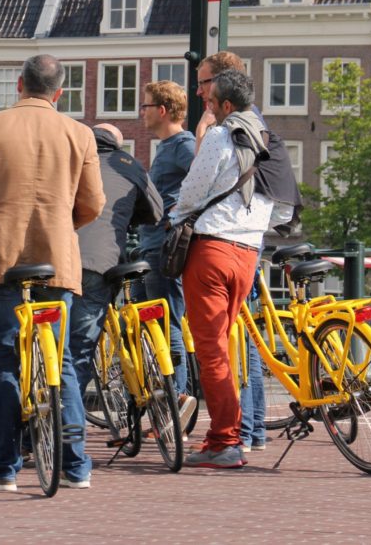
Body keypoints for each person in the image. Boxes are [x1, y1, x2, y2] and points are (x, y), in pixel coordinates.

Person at [0, 54, 105, 492]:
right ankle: (75, 466)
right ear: (59, 92)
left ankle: (4, 468)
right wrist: (65, 227)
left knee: (5, 361)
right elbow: (94, 203)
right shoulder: (79, 133)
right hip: (57, 262)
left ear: (19, 85)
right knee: (61, 360)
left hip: (1, 263)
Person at [175, 70, 293, 469]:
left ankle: (225, 440)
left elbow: (193, 191)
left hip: (212, 251)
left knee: (211, 350)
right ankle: (232, 434)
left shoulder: (222, 137)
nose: (206, 108)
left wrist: (175, 216)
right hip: (249, 253)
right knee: (225, 345)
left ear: (226, 106)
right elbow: (283, 207)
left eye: (210, 103)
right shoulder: (268, 140)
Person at [69, 124, 162, 410]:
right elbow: (156, 212)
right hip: (100, 263)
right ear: (117, 145)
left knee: (50, 345)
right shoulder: (128, 165)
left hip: (56, 260)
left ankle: (32, 428)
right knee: (78, 351)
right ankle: (64, 427)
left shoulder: (68, 159)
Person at [135, 80, 197, 422]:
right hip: (151, 246)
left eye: (145, 106)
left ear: (161, 110)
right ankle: (167, 400)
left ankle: (177, 401)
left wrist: (177, 219)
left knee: (166, 320)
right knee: (153, 322)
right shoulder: (168, 148)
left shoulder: (183, 146)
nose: (141, 112)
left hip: (163, 248)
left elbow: (208, 182)